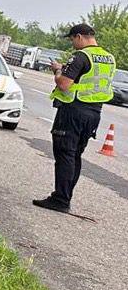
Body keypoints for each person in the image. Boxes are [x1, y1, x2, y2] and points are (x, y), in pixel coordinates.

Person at [33, 23, 117, 213]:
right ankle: (66, 195)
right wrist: (66, 68)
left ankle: (60, 199)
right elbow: (88, 76)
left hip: (73, 112)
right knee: (75, 155)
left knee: (64, 154)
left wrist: (57, 70)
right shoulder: (108, 58)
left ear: (79, 36)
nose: (72, 44)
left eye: (72, 39)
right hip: (94, 113)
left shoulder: (80, 56)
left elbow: (64, 84)